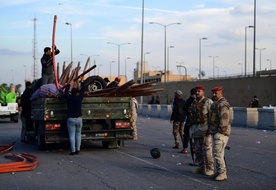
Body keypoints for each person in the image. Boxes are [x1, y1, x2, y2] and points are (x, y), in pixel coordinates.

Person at [207, 86, 231, 181]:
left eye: (216, 93)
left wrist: (220, 131)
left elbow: (224, 120)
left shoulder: (223, 104)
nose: (214, 95)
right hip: (216, 131)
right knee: (218, 153)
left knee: (217, 153)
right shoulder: (217, 104)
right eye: (213, 93)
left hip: (221, 132)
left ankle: (222, 172)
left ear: (221, 92)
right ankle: (219, 171)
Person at [189, 85, 213, 175]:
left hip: (205, 130)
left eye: (199, 91)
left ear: (203, 92)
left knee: (206, 150)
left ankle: (210, 168)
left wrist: (210, 129)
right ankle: (201, 167)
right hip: (195, 130)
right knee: (197, 150)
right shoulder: (194, 102)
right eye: (196, 91)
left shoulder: (208, 102)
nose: (197, 93)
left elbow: (212, 117)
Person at [65, 81, 85, 155]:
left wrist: (68, 85)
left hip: (70, 119)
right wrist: (82, 83)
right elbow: (83, 91)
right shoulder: (79, 98)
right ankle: (78, 149)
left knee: (72, 135)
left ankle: (73, 151)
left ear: (71, 92)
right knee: (78, 135)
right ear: (77, 93)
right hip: (79, 119)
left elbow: (65, 93)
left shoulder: (69, 98)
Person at [183, 88, 197, 158]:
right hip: (196, 123)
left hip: (190, 121)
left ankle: (185, 148)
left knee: (187, 135)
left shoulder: (189, 100)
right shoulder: (198, 101)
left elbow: (184, 109)